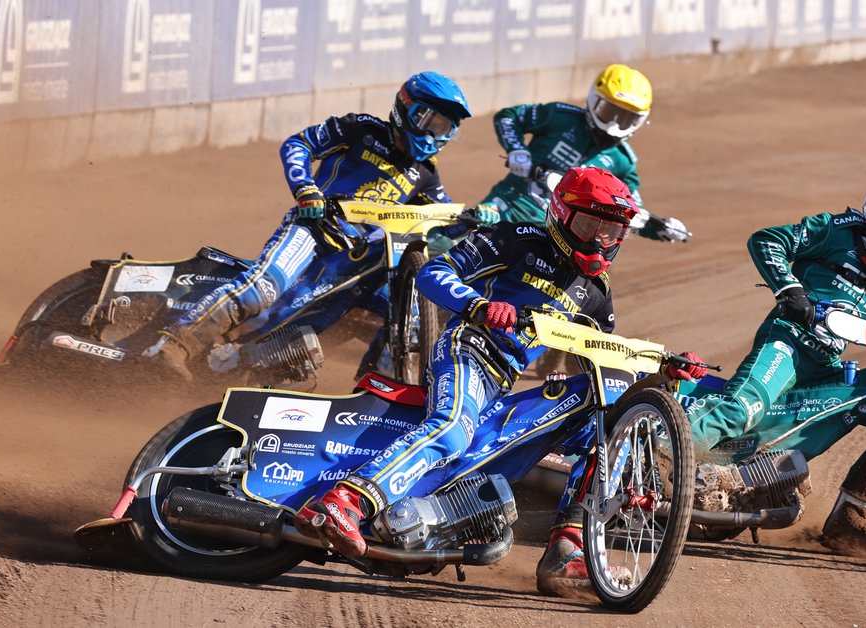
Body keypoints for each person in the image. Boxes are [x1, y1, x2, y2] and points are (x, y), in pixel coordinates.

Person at [293, 166, 708, 595]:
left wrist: (661, 368)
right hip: (468, 348)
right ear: (561, 215)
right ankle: (344, 501)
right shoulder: (519, 237)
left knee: (605, 421)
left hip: (503, 381)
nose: (599, 240)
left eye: (611, 231)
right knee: (455, 430)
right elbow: (433, 273)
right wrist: (479, 307)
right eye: (589, 225)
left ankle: (568, 551)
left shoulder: (597, 290)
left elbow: (604, 359)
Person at [681, 162, 866, 547]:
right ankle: (660, 460)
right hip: (789, 343)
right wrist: (789, 289)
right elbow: (766, 240)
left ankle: (853, 511)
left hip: (827, 369)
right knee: (742, 408)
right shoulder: (837, 230)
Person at [139, 71, 472, 378]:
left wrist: (476, 220)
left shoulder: (426, 174)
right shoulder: (361, 129)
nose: (433, 134)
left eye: (444, 128)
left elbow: (440, 220)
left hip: (362, 260)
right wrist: (306, 190)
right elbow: (299, 144)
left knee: (410, 316)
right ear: (405, 109)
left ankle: (377, 398)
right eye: (428, 120)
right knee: (263, 290)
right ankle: (173, 344)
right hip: (315, 229)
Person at [438, 63, 689, 249]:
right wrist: (517, 149)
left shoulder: (623, 162)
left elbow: (632, 212)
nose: (614, 124)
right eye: (609, 111)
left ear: (640, 121)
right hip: (507, 206)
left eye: (626, 118)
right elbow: (508, 116)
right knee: (448, 246)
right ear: (593, 100)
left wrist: (660, 228)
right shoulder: (560, 117)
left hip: (559, 235)